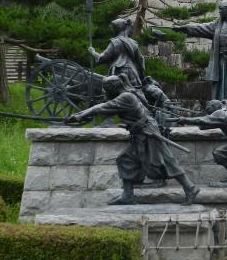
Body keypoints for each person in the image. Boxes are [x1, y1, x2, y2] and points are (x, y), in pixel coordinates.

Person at [65, 75, 200, 205]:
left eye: (106, 89)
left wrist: (78, 116)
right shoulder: (129, 94)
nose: (105, 92)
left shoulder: (126, 97)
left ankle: (190, 188)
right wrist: (80, 114)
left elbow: (100, 108)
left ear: (112, 88)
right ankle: (128, 196)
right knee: (126, 160)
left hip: (148, 132)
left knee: (166, 160)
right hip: (141, 132)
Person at [172, 0, 227, 112]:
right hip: (221, 61)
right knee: (220, 87)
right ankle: (221, 110)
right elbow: (200, 28)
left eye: (222, 9)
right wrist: (184, 28)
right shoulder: (216, 26)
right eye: (219, 9)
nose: (220, 11)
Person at [89, 18, 169, 108]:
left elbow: (102, 58)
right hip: (132, 72)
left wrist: (93, 52)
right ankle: (145, 107)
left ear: (116, 29)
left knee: (112, 93)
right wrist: (141, 75)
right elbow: (141, 60)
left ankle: (108, 108)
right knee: (136, 91)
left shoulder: (115, 42)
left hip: (119, 71)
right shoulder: (133, 43)